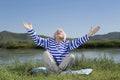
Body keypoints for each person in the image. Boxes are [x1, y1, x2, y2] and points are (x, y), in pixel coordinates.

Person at [22, 22, 100, 74]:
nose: (59, 31)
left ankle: (58, 72)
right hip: (51, 68)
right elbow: (37, 39)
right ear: (54, 35)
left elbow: (78, 41)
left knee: (71, 56)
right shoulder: (49, 41)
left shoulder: (67, 43)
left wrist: (89, 34)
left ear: (64, 35)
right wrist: (30, 30)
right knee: (46, 53)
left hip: (63, 67)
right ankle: (60, 73)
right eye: (57, 31)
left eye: (61, 31)